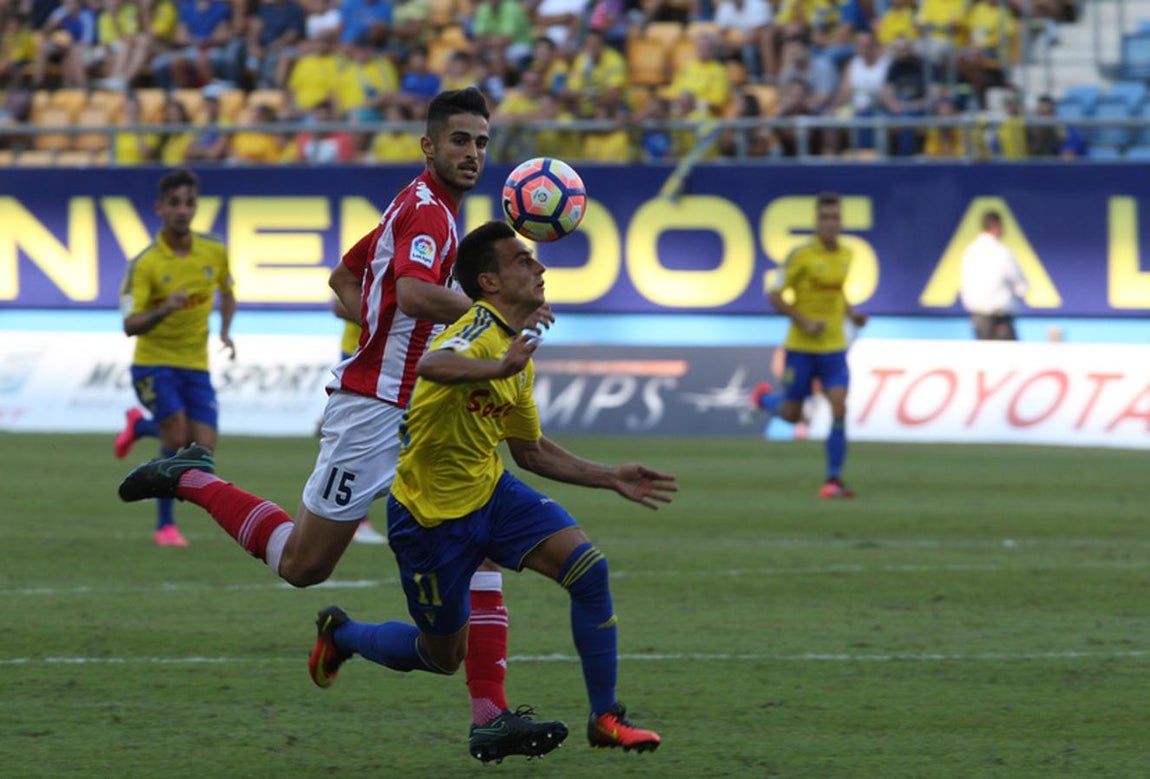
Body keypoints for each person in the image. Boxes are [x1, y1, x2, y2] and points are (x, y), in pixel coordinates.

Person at [117, 88, 565, 765]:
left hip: (420, 406)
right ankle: (194, 479)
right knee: (303, 563)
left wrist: (390, 334)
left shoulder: (423, 207)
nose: (472, 153)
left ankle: (490, 715)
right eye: (459, 141)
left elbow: (345, 276)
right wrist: (486, 313)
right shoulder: (428, 214)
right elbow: (412, 293)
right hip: (375, 411)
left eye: (481, 141)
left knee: (482, 542)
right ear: (429, 145)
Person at [319, 221, 674, 752]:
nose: (540, 268)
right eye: (523, 261)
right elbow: (433, 363)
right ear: (488, 282)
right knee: (440, 656)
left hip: (491, 494)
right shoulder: (478, 328)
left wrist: (608, 476)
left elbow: (529, 451)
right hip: (428, 520)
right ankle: (342, 635)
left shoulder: (515, 352)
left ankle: (606, 718)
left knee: (589, 571)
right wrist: (494, 366)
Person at [117, 168, 236, 547]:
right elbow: (130, 324)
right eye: (175, 204)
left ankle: (138, 426)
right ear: (160, 209)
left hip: (195, 365)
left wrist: (225, 332)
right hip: (153, 362)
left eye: (189, 203)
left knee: (202, 449)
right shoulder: (146, 264)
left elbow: (229, 292)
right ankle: (164, 526)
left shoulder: (214, 250)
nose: (183, 211)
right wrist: (164, 310)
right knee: (176, 436)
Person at [750, 192, 867, 499]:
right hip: (801, 347)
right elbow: (774, 295)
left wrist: (852, 314)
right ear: (817, 221)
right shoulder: (799, 255)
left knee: (839, 407)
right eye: (825, 217)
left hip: (833, 347)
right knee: (791, 414)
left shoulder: (846, 255)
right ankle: (763, 398)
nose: (831, 223)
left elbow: (838, 292)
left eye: (835, 217)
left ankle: (833, 480)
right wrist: (804, 321)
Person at [959, 209, 1029, 340]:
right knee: (1007, 358)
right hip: (999, 318)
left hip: (978, 317)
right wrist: (1022, 291)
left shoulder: (970, 251)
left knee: (984, 358)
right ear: (997, 226)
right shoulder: (1001, 252)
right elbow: (1020, 284)